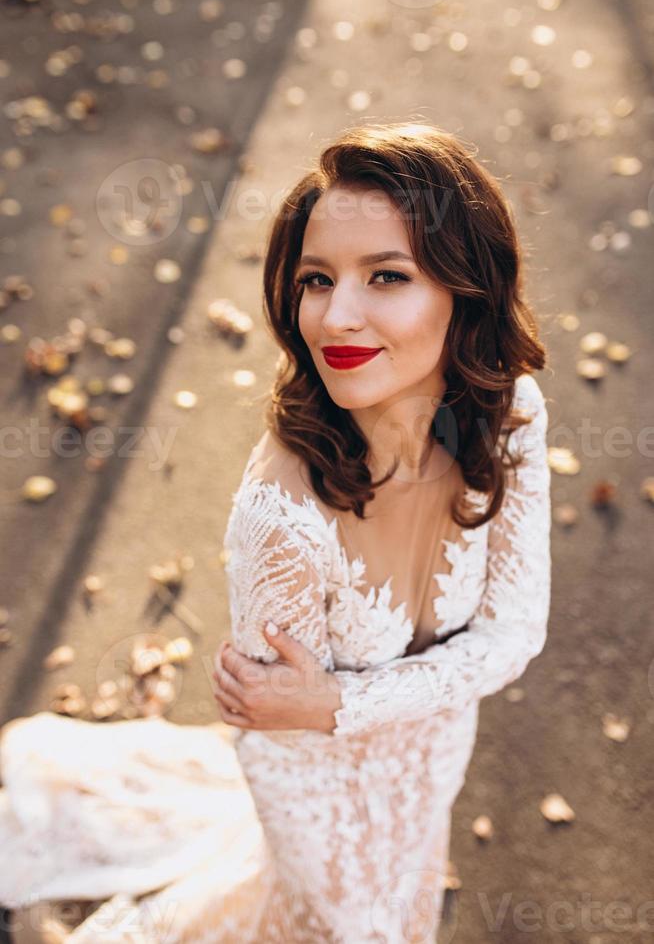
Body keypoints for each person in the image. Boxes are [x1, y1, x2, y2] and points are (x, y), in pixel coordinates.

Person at [0, 121, 552, 943]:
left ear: (465, 289)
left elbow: (514, 635)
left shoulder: (510, 418)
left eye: (387, 276)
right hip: (314, 801)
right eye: (317, 280)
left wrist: (337, 701)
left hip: (435, 759)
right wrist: (326, 891)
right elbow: (270, 740)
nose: (337, 317)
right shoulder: (282, 516)